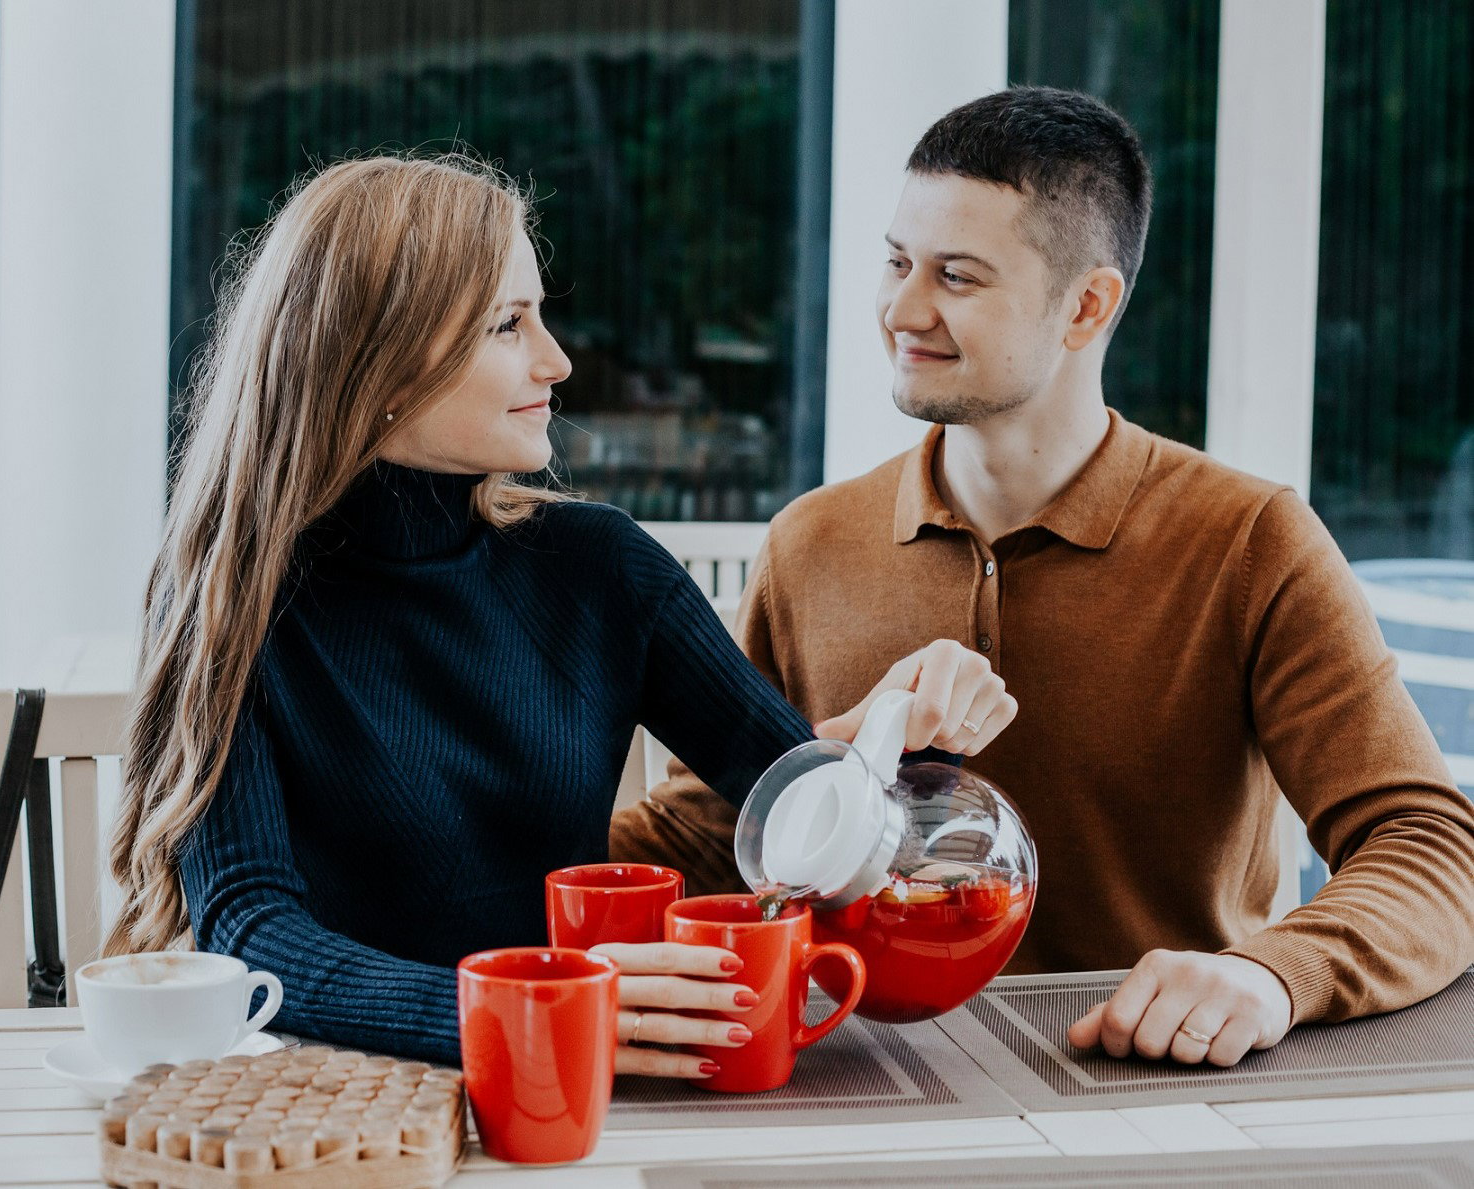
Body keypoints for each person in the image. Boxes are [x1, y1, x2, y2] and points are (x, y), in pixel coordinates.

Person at [612, 87, 1474, 1068]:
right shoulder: (809, 542)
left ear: (1088, 305)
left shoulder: (1251, 540)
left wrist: (1276, 972)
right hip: (845, 1071)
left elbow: (1429, 843)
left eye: (958, 276)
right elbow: (688, 848)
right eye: (895, 262)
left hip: (1157, 1080)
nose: (901, 309)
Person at [104, 154, 1011, 1069]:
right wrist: (527, 1010)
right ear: (375, 367)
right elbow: (253, 934)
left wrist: (894, 746)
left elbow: (801, 804)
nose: (558, 359)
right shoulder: (228, 599)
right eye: (508, 323)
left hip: (568, 1097)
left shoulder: (601, 568)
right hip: (334, 1104)